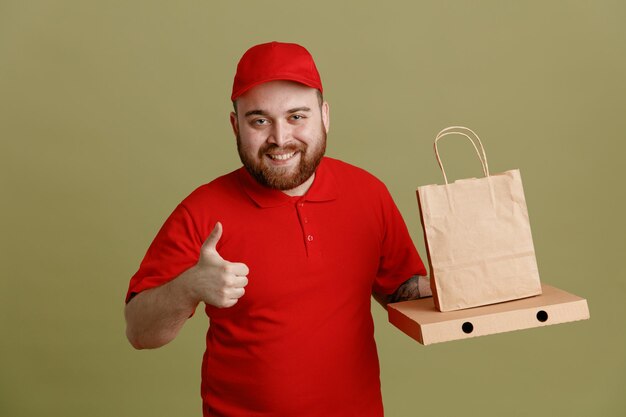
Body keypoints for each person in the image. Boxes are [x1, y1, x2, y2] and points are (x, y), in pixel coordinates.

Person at [124, 41, 431, 417]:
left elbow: (402, 292)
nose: (280, 139)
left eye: (296, 117)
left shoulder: (368, 193)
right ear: (236, 126)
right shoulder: (202, 211)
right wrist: (190, 286)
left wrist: (459, 283)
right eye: (259, 120)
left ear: (325, 116)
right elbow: (140, 332)